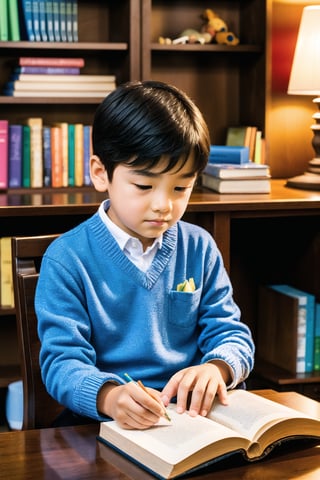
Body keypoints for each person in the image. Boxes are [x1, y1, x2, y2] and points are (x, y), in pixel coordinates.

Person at [35, 80, 254, 430]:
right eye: (144, 186)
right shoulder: (66, 258)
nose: (163, 205)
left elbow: (232, 334)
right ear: (99, 173)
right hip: (108, 423)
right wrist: (109, 397)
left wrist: (218, 368)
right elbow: (62, 363)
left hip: (192, 419)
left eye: (181, 187)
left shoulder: (199, 247)